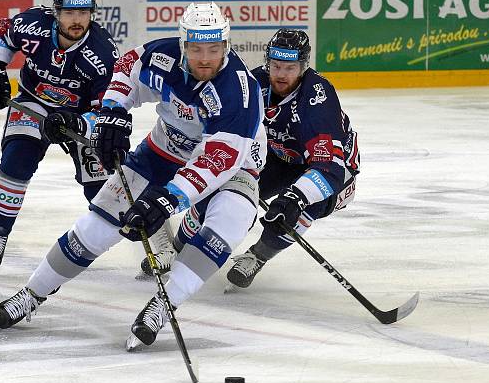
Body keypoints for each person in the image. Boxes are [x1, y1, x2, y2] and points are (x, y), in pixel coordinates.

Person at [0, 2, 267, 351]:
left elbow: (217, 161)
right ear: (183, 45)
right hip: (164, 150)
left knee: (225, 226)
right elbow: (126, 67)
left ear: (226, 46)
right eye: (195, 48)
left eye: (213, 49)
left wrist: (168, 200)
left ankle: (163, 306)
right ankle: (32, 293)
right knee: (95, 226)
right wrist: (111, 114)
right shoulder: (163, 57)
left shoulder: (237, 92)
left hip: (233, 167)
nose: (205, 58)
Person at [136, 29, 360, 289]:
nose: (281, 74)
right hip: (278, 157)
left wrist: (296, 196)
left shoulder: (316, 98)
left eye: (290, 68)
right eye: (276, 66)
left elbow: (328, 165)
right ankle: (177, 249)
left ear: (304, 66)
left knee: (298, 209)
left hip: (333, 169)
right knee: (220, 189)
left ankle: (258, 255)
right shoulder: (254, 82)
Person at [0, 0, 118, 274]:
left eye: (83, 12)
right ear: (56, 12)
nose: (77, 20)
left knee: (102, 192)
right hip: (33, 102)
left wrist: (77, 122)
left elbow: (105, 112)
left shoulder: (104, 55)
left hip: (79, 117)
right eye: (69, 12)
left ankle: (157, 240)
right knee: (16, 160)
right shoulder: (31, 24)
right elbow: (4, 35)